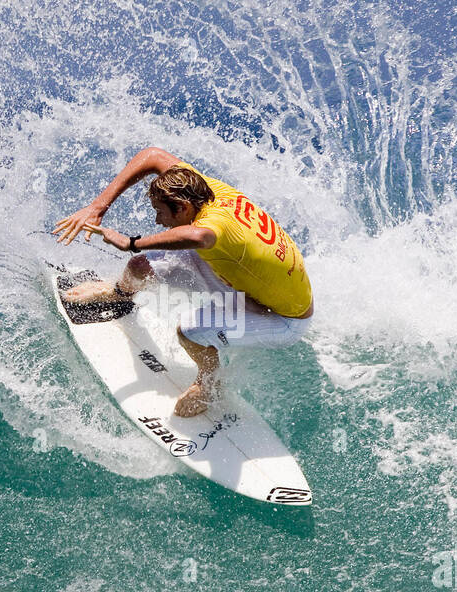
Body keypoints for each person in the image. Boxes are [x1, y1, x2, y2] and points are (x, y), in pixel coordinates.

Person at [52, 147, 313, 417]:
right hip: (247, 281)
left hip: (282, 318)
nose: (157, 220)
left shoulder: (210, 229)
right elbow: (152, 155)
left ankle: (209, 385)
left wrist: (130, 242)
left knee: (190, 332)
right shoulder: (206, 189)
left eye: (161, 212)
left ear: (184, 207)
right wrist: (97, 207)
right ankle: (119, 294)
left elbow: (201, 238)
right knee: (139, 267)